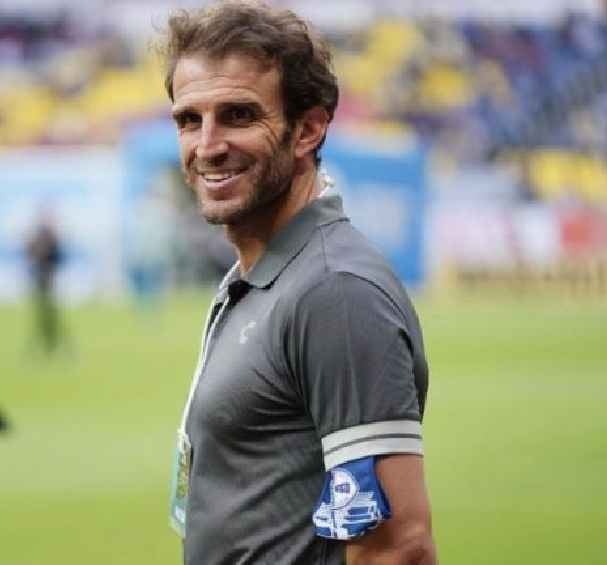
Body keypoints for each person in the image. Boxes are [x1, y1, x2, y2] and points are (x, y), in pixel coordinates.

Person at [160, 3, 436, 564]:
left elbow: (397, 549)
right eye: (189, 120)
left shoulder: (335, 291)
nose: (207, 145)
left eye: (238, 115)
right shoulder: (264, 274)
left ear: (308, 129)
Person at [25, 212, 64, 355]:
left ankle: (52, 343)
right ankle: (46, 343)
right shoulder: (38, 237)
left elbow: (58, 258)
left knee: (50, 315)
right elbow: (29, 254)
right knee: (43, 314)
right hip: (40, 279)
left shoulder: (52, 239)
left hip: (49, 279)